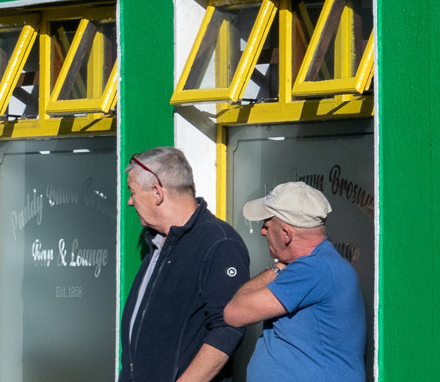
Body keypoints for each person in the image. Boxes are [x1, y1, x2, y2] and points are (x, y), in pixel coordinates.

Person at [119, 147, 252, 382]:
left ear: (157, 192)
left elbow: (227, 328)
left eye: (133, 192)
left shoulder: (219, 243)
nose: (130, 202)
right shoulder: (158, 242)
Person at [223, 180, 366, 381]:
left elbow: (234, 313)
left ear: (286, 234)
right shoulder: (319, 265)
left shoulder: (313, 270)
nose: (263, 231)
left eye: (267, 225)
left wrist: (277, 267)